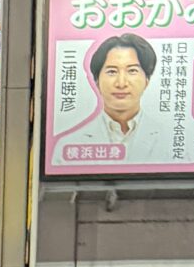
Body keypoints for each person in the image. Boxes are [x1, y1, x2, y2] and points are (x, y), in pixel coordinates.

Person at [54, 31, 174, 167]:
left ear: (147, 80)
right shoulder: (68, 146)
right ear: (97, 81)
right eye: (112, 71)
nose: (121, 83)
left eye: (132, 71)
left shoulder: (171, 142)